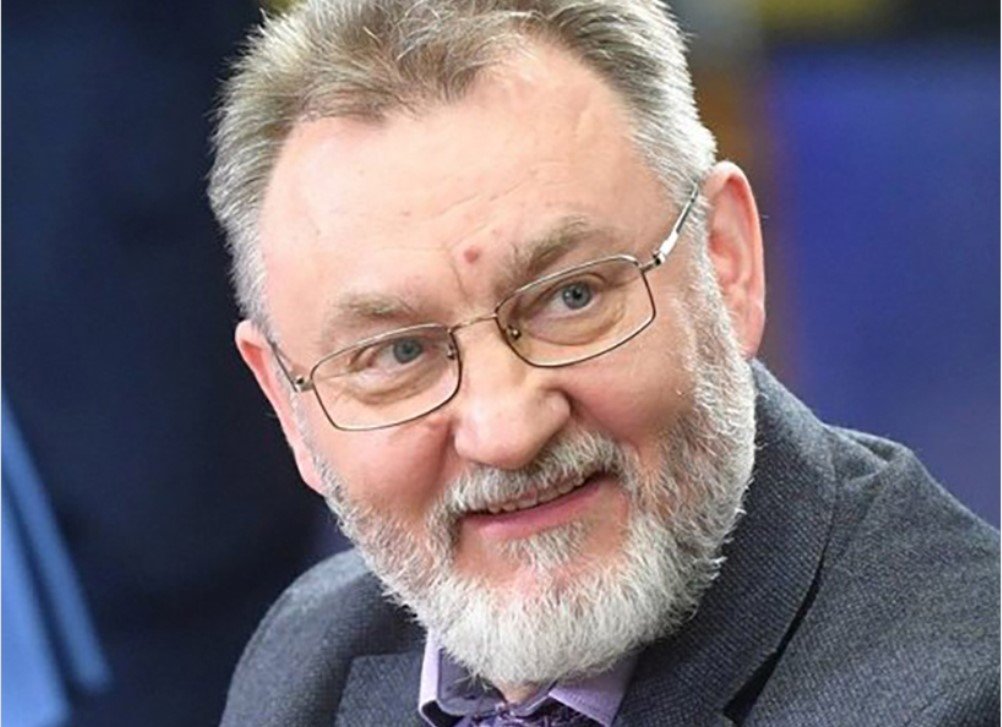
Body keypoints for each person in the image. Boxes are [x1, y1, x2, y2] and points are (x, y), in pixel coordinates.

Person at [207, 0, 999, 723]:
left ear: (726, 262)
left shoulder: (957, 695)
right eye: (399, 352)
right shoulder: (306, 661)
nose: (506, 429)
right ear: (288, 405)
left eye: (571, 297)